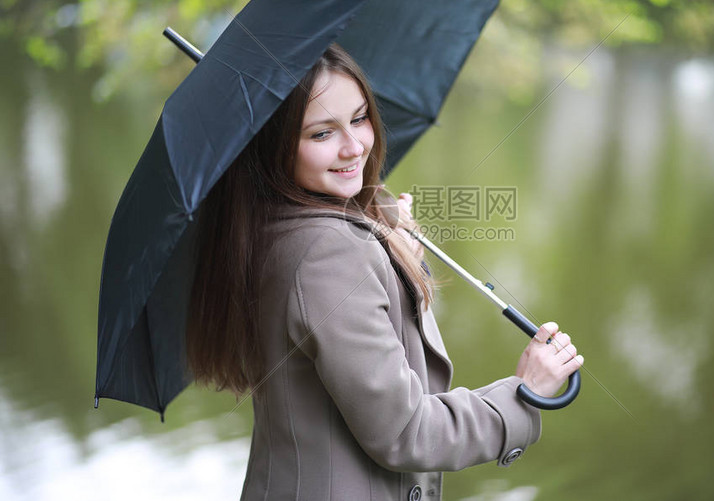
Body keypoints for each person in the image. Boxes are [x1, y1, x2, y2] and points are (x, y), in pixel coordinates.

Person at [186, 44, 584, 501]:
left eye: (359, 118)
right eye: (320, 134)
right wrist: (524, 392)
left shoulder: (266, 225)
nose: (354, 146)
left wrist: (391, 250)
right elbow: (406, 431)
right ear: (273, 144)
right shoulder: (329, 254)